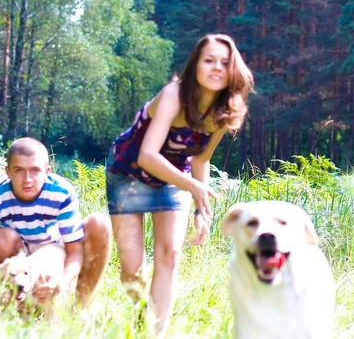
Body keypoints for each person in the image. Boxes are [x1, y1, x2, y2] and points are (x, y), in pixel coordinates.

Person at [106, 33, 254, 337]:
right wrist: (194, 187)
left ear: (233, 70)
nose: (216, 68)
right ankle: (140, 315)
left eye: (224, 63)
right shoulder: (174, 94)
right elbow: (147, 155)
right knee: (131, 271)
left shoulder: (225, 110)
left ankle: (156, 333)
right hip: (128, 173)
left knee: (170, 254)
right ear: (195, 65)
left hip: (173, 177)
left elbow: (200, 161)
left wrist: (202, 209)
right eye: (208, 60)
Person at [0, 137, 111, 308]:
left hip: (53, 253)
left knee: (100, 224)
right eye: (19, 170)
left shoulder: (62, 192)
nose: (27, 179)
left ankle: (80, 308)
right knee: (4, 237)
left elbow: (75, 251)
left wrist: (61, 282)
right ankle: (10, 302)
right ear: (8, 172)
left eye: (35, 170)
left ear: (47, 172)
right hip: (15, 256)